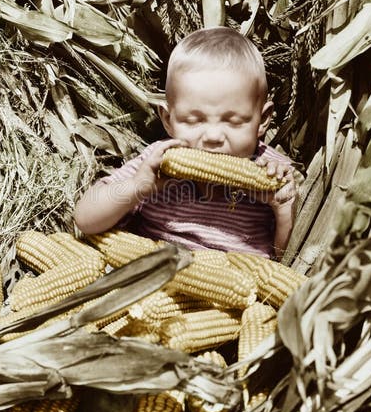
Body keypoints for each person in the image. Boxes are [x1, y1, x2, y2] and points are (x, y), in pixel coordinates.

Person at [73, 27, 297, 258]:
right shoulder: (156, 165)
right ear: (168, 120)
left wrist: (282, 208)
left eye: (233, 122)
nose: (212, 136)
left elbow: (285, 257)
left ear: (263, 120)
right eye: (194, 120)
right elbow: (85, 221)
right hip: (156, 279)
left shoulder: (275, 173)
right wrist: (138, 186)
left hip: (236, 286)